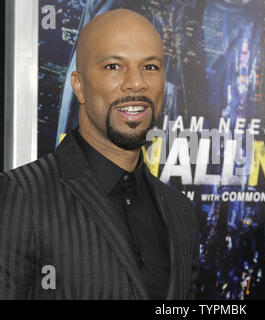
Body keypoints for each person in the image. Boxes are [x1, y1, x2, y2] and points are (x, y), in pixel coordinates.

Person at [0, 9, 199, 300]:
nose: (136, 83)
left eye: (150, 67)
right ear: (79, 86)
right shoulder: (21, 196)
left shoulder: (181, 214)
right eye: (114, 66)